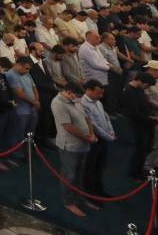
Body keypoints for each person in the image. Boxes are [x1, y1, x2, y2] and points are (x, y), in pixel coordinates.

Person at [51, 83, 97, 218]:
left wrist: (92, 133)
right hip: (69, 146)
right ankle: (68, 202)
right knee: (69, 176)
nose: (77, 99)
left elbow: (87, 117)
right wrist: (86, 137)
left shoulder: (76, 99)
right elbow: (67, 126)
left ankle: (79, 198)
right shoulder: (58, 103)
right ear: (67, 92)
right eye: (75, 96)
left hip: (83, 144)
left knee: (80, 174)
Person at [80, 79, 115, 198]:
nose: (101, 95)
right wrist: (107, 136)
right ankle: (89, 194)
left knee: (100, 166)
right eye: (98, 93)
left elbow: (106, 117)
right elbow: (93, 124)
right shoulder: (83, 104)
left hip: (103, 138)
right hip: (93, 141)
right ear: (89, 90)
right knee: (90, 168)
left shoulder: (98, 102)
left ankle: (98, 189)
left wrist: (110, 131)